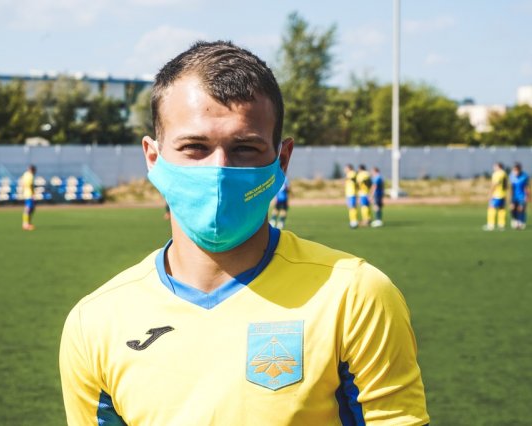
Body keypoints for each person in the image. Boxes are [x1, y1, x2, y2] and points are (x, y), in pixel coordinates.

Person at [60, 41, 429, 425]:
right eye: (194, 147)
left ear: (281, 160)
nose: (219, 170)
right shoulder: (96, 322)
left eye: (245, 148)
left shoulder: (355, 296)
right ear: (153, 158)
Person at [483, 162, 508, 231]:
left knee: (491, 208)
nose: (493, 168)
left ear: (498, 166)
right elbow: (506, 185)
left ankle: (491, 225)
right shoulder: (504, 173)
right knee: (501, 209)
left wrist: (490, 193)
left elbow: (495, 184)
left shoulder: (497, 174)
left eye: (495, 166)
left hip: (497, 194)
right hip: (503, 194)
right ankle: (501, 225)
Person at [509, 162, 531, 230]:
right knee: (512, 208)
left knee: (521, 209)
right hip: (514, 196)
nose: (515, 172)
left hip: (522, 196)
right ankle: (515, 220)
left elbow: (527, 187)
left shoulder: (524, 176)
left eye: (516, 170)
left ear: (520, 169)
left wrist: (528, 196)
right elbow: (511, 187)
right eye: (514, 170)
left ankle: (521, 222)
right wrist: (510, 197)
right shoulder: (511, 176)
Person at [21, 164, 36, 231]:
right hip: (29, 194)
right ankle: (26, 224)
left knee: (30, 209)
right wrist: (33, 193)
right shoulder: (30, 176)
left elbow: (23, 184)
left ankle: (27, 223)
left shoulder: (25, 174)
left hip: (25, 193)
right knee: (28, 209)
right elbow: (31, 185)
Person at [344, 164, 359, 229]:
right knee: (350, 208)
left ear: (349, 168)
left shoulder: (352, 173)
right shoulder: (348, 174)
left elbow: (354, 179)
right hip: (349, 194)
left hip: (352, 193)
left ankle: (354, 221)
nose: (344, 169)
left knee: (353, 207)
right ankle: (352, 221)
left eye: (345, 168)